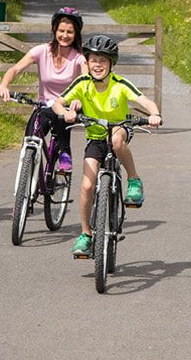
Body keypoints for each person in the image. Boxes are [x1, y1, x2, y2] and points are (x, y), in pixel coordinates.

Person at [52, 35, 162, 256]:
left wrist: (155, 114)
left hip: (119, 129)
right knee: (86, 186)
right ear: (88, 62)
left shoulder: (120, 84)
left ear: (112, 63)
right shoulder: (82, 84)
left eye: (103, 60)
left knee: (117, 139)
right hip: (95, 137)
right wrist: (65, 113)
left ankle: (133, 180)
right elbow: (58, 102)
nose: (98, 65)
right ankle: (86, 235)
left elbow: (145, 101)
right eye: (93, 60)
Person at [0, 7, 87, 171]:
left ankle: (64, 153)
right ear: (54, 30)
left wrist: (79, 99)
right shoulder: (42, 51)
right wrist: (4, 85)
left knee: (61, 120)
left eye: (70, 32)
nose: (65, 35)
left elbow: (86, 82)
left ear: (76, 34)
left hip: (65, 108)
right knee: (30, 137)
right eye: (61, 31)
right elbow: (15, 69)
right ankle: (30, 174)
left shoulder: (79, 58)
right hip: (43, 105)